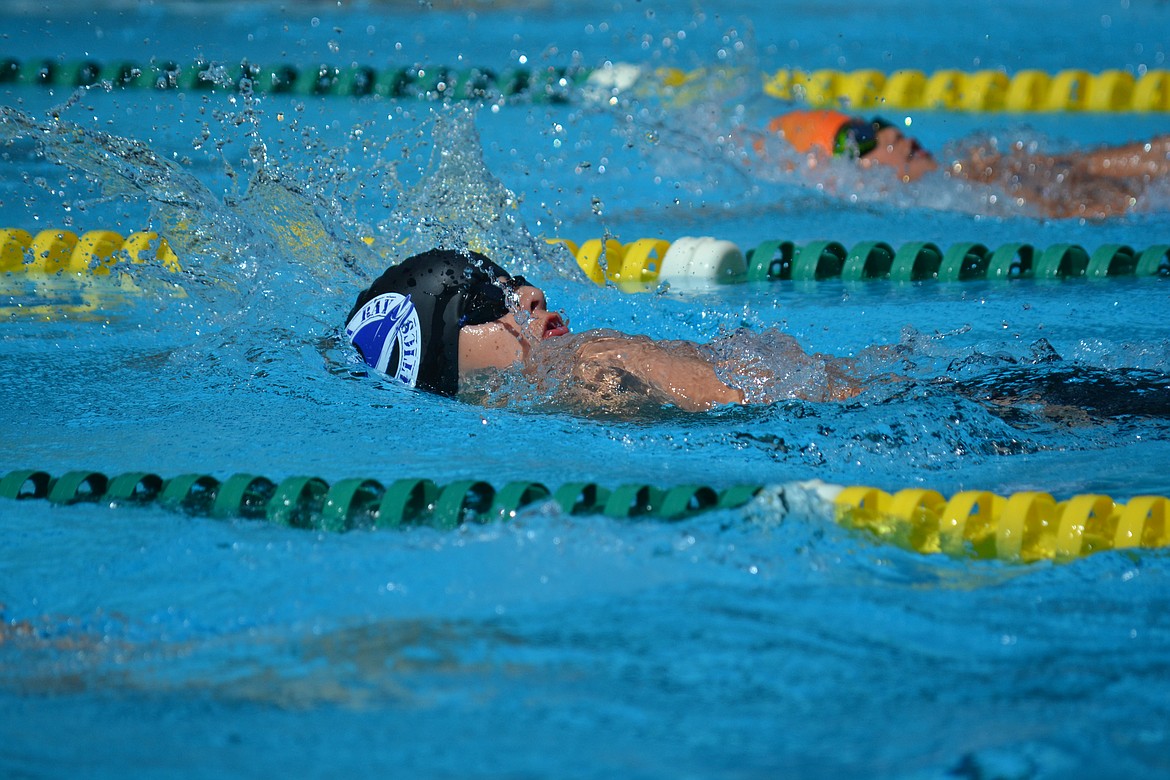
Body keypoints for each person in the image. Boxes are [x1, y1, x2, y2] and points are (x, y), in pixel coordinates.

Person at [343, 248, 860, 412]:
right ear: (440, 363)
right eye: (485, 300)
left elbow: (744, 407)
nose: (529, 296)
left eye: (512, 280)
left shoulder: (587, 358)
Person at [762, 109, 1170, 219]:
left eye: (877, 124)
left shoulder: (972, 168)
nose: (891, 135)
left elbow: (1100, 163)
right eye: (860, 138)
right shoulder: (939, 204)